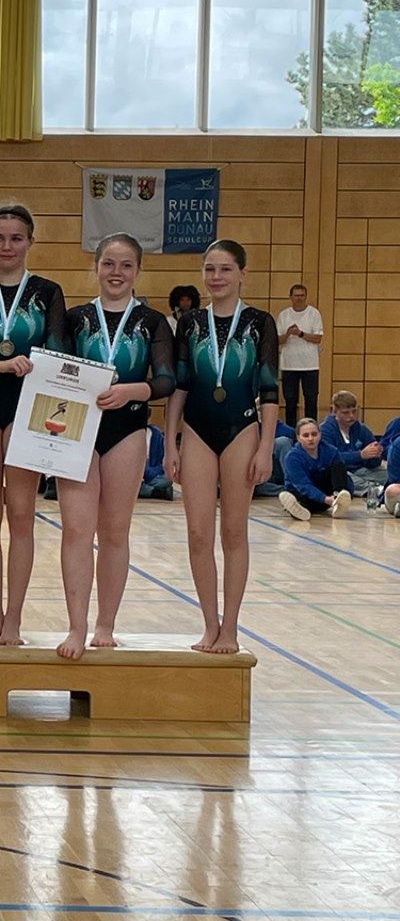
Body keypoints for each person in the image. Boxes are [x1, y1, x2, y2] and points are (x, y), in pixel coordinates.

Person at [0, 203, 68, 645]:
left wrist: (33, 367)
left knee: (21, 514)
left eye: (16, 238)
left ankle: (15, 619)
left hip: (30, 408)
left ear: (30, 242)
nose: (7, 246)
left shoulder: (48, 292)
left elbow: (58, 359)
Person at [58, 234, 175, 657]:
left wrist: (131, 391)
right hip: (78, 430)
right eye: (108, 263)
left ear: (138, 270)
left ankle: (105, 624)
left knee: (114, 531)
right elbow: (56, 370)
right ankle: (76, 626)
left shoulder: (153, 322)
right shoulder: (74, 319)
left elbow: (166, 379)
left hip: (126, 429)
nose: (116, 273)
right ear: (96, 267)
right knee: (75, 530)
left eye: (126, 265)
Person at [166, 239, 279, 655]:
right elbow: (179, 385)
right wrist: (170, 443)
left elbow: (269, 390)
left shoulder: (260, 322)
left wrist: (265, 447)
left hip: (242, 430)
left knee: (233, 531)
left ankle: (230, 627)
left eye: (226, 269)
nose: (216, 277)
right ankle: (209, 624)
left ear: (242, 273)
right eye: (210, 269)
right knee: (198, 533)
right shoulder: (190, 323)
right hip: (196, 431)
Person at [278, 418, 352, 520]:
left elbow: (340, 473)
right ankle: (298, 507)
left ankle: (338, 500)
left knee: (341, 469)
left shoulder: (331, 451)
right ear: (298, 438)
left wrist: (336, 494)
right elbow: (303, 485)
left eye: (314, 434)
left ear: (320, 435)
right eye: (306, 435)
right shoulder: (292, 457)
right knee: (303, 495)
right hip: (301, 491)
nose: (310, 438)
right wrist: (325, 499)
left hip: (324, 491)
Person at [318, 391, 386, 496]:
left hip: (361, 470)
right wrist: (360, 455)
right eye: (345, 413)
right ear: (334, 411)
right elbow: (331, 459)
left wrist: (375, 454)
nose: (351, 416)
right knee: (343, 479)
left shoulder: (361, 429)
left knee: (389, 474)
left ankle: (376, 489)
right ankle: (375, 490)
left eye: (354, 411)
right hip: (340, 472)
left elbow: (374, 464)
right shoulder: (325, 430)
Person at [276, 284, 323, 425]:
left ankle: (311, 429)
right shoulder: (284, 315)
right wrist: (288, 334)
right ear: (290, 297)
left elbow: (318, 338)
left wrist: (300, 334)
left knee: (311, 400)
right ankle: (291, 430)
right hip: (289, 365)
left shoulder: (314, 313)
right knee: (290, 401)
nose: (299, 298)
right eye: (296, 295)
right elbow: (277, 340)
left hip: (310, 365)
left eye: (302, 295)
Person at [139, 427, 174, 500]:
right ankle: (158, 492)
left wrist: (145, 472)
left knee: (165, 480)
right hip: (139, 477)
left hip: (154, 477)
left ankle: (153, 491)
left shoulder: (156, 434)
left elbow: (161, 466)